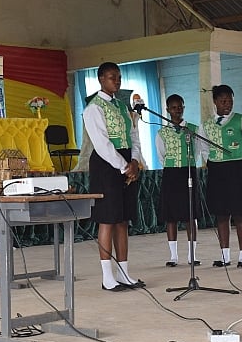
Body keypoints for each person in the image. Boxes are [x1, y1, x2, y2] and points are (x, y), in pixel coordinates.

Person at [83, 62, 146, 291]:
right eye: (112, 77)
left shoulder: (122, 106)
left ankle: (124, 273)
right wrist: (123, 166)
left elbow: (133, 135)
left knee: (122, 220)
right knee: (108, 219)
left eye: (119, 77)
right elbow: (101, 144)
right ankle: (107, 277)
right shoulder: (93, 108)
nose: (117, 82)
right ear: (101, 79)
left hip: (127, 162)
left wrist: (135, 161)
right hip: (106, 166)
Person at [197, 85, 242, 268]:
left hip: (238, 169)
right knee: (221, 215)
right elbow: (203, 148)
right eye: (223, 100)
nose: (227, 104)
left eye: (230, 100)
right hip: (217, 170)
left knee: (240, 213)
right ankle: (225, 255)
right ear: (215, 102)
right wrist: (211, 162)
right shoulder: (206, 125)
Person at [156, 94, 201, 267]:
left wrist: (186, 162)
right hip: (171, 174)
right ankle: (173, 255)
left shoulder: (193, 130)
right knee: (171, 216)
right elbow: (161, 155)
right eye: (174, 107)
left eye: (180, 107)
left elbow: (196, 151)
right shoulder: (162, 133)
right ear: (167, 110)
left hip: (188, 172)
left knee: (191, 215)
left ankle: (192, 255)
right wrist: (173, 164)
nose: (177, 110)